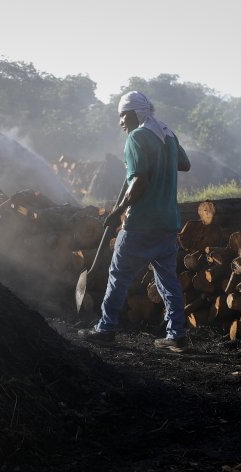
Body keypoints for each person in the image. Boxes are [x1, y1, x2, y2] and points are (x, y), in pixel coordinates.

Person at [79, 91, 191, 349]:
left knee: (118, 275)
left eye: (121, 116)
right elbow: (184, 164)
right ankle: (177, 335)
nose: (120, 122)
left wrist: (118, 211)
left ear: (132, 114)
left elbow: (139, 182)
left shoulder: (137, 136)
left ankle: (106, 328)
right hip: (168, 222)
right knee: (168, 280)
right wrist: (161, 159)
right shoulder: (168, 134)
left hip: (141, 222)